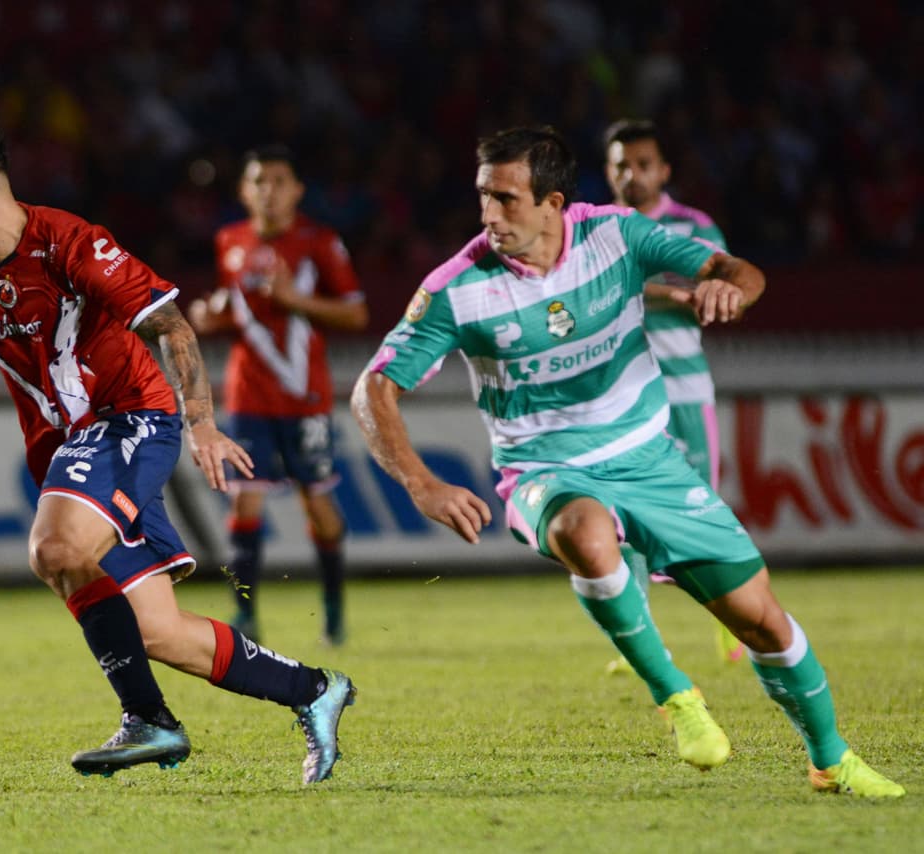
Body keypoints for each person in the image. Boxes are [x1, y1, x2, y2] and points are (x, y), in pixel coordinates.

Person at [350, 126, 904, 797]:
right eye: (483, 199)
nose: (489, 216)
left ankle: (830, 758)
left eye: (506, 199)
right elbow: (373, 387)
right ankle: (676, 696)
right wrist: (421, 482)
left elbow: (739, 270)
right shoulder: (458, 289)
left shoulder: (620, 235)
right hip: (544, 471)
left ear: (554, 202)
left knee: (762, 619)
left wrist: (732, 288)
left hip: (650, 461)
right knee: (583, 532)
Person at [0, 113, 355, 783]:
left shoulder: (71, 244)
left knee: (56, 549)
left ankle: (151, 722)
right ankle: (316, 691)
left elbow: (172, 325)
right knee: (156, 631)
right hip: (67, 447)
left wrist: (201, 421)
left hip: (130, 420)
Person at [189, 144, 368, 645]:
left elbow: (355, 314)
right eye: (258, 181)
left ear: (296, 190)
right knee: (245, 503)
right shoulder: (230, 240)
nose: (268, 190)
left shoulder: (320, 242)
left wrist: (295, 300)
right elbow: (240, 313)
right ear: (245, 191)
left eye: (277, 180)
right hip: (248, 394)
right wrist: (212, 317)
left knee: (318, 506)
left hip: (305, 395)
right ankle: (245, 617)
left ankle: (333, 606)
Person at [602, 118, 744, 672]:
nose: (631, 175)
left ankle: (730, 623)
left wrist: (633, 292)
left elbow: (713, 290)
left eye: (642, 164)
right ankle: (641, 643)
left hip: (684, 390)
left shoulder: (695, 226)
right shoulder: (600, 228)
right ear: (608, 172)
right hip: (623, 395)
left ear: (663, 170)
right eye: (621, 165)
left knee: (700, 512)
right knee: (623, 517)